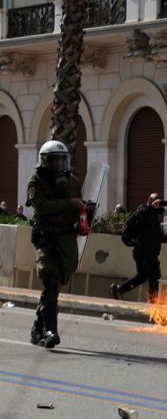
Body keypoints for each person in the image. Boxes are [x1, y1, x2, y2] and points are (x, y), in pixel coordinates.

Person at [27, 140, 86, 348]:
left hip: (67, 241)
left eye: (62, 160)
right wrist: (69, 203)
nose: (59, 165)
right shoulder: (36, 182)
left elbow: (78, 207)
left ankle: (38, 327)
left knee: (55, 286)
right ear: (45, 162)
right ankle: (50, 331)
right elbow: (42, 207)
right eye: (54, 161)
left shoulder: (73, 182)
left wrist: (85, 212)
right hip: (46, 239)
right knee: (50, 281)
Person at [110, 193, 167, 302]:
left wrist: (165, 239)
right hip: (143, 251)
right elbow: (140, 217)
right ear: (150, 201)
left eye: (159, 202)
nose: (158, 205)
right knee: (154, 274)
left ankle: (118, 290)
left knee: (142, 276)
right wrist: (151, 206)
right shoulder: (144, 211)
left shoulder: (153, 216)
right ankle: (153, 301)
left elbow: (155, 233)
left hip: (149, 252)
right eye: (156, 202)